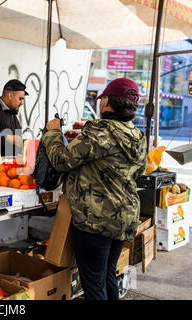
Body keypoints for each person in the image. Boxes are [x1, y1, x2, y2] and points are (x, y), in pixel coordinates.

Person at [42, 78, 147, 300]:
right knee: (108, 274)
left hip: (97, 221)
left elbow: (61, 160)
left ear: (106, 101)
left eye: (102, 99)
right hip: (124, 218)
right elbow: (136, 170)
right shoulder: (137, 136)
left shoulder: (100, 132)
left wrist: (52, 133)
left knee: (93, 284)